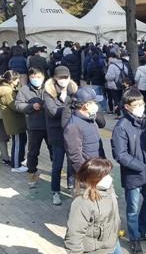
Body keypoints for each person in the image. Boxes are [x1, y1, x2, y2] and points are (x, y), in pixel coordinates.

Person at [64, 158, 125, 254]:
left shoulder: (108, 189)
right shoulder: (81, 202)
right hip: (90, 246)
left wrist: (119, 230)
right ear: (94, 179)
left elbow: (114, 214)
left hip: (110, 239)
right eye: (105, 175)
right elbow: (73, 237)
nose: (109, 178)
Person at [111, 88, 146, 254]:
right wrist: (140, 166)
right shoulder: (121, 127)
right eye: (136, 105)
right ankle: (134, 237)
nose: (140, 107)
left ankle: (142, 228)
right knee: (132, 208)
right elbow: (120, 154)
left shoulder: (144, 122)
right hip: (133, 174)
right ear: (127, 106)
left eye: (142, 104)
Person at [45, 66, 78, 204]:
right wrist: (68, 106)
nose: (63, 80)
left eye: (66, 77)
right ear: (55, 78)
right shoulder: (48, 93)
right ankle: (55, 191)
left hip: (72, 133)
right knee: (57, 165)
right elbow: (52, 112)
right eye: (60, 78)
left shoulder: (74, 91)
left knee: (72, 162)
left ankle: (72, 185)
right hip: (57, 134)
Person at [16, 67, 49, 187]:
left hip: (49, 126)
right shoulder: (24, 90)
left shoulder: (49, 88)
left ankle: (57, 169)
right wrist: (30, 106)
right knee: (33, 152)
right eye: (33, 77)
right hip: (34, 126)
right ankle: (32, 173)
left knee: (54, 151)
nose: (36, 79)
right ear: (29, 78)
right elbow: (18, 105)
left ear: (43, 77)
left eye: (38, 77)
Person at [63, 87, 103, 188]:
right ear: (86, 105)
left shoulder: (91, 119)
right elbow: (74, 155)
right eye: (94, 102)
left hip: (97, 169)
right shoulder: (73, 126)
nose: (96, 105)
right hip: (88, 175)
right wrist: (86, 174)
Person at [0, 71, 28, 172]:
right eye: (17, 79)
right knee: (18, 143)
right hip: (14, 123)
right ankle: (16, 165)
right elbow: (15, 106)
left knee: (21, 142)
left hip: (16, 121)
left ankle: (19, 160)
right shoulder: (8, 92)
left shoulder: (9, 89)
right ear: (11, 80)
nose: (18, 81)